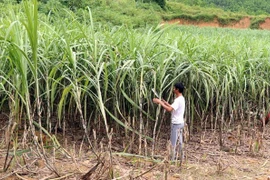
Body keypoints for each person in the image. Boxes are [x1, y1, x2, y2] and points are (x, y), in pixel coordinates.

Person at [153, 82, 185, 161]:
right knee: (180, 141)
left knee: (173, 142)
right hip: (181, 123)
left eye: (174, 88)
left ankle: (172, 159)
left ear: (177, 90)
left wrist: (160, 103)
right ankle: (181, 157)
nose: (173, 90)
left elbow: (169, 109)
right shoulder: (181, 98)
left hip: (176, 124)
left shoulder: (178, 100)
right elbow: (173, 108)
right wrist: (166, 103)